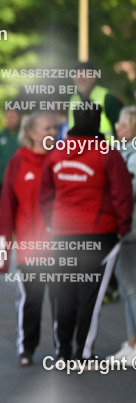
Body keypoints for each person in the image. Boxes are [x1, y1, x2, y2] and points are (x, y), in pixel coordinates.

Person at [38, 105, 133, 363]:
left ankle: (62, 351)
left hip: (62, 234)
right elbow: (121, 194)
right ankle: (83, 351)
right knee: (90, 296)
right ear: (99, 121)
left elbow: (45, 193)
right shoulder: (107, 153)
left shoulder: (57, 153)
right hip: (99, 235)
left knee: (64, 294)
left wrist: (50, 223)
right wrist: (122, 227)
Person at [0, 113, 57, 366]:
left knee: (62, 303)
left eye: (55, 127)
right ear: (31, 133)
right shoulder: (18, 162)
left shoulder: (60, 159)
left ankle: (65, 349)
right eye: (47, 128)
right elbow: (6, 211)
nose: (53, 132)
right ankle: (27, 349)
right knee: (32, 301)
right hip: (29, 250)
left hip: (60, 248)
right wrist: (1, 257)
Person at [107, 106, 136, 361]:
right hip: (125, 229)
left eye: (124, 125)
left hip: (130, 230)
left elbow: (126, 191)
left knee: (131, 288)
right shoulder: (121, 151)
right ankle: (131, 344)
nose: (118, 129)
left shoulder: (133, 155)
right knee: (128, 291)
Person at [70, 61, 124, 140]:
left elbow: (120, 129)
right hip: (79, 150)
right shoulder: (73, 100)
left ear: (93, 77)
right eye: (76, 75)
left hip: (106, 149)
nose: (80, 78)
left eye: (84, 74)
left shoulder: (107, 98)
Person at [0, 107, 22, 205]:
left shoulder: (24, 135)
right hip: (1, 181)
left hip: (20, 180)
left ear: (19, 117)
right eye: (8, 117)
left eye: (13, 117)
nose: (10, 120)